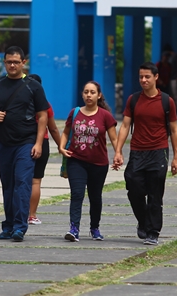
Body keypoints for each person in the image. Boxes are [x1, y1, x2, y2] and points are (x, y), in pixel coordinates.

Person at [0, 46, 50, 242]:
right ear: (4, 63)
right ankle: (9, 225)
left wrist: (38, 143)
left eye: (16, 62)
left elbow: (43, 115)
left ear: (23, 63)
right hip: (3, 143)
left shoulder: (33, 86)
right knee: (8, 186)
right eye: (9, 62)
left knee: (22, 183)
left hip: (26, 143)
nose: (12, 65)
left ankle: (20, 227)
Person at [114, 62, 177, 246]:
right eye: (141, 77)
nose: (143, 80)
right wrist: (118, 151)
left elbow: (174, 130)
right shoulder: (133, 100)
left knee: (155, 194)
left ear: (156, 77)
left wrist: (176, 157)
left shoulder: (167, 101)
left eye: (147, 77)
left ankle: (153, 231)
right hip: (137, 152)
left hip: (158, 152)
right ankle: (143, 221)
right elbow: (125, 125)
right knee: (134, 189)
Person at [59, 81, 118, 241]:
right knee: (77, 194)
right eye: (86, 92)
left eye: (92, 92)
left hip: (98, 163)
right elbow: (65, 133)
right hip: (76, 160)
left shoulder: (105, 115)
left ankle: (95, 228)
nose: (88, 95)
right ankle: (74, 229)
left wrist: (118, 153)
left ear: (99, 95)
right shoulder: (75, 112)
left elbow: (114, 138)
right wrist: (61, 147)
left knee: (95, 196)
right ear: (82, 94)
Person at [27, 74, 61, 225]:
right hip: (43, 143)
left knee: (20, 181)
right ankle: (32, 215)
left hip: (23, 142)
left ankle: (18, 213)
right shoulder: (45, 104)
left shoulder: (21, 102)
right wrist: (61, 145)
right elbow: (53, 128)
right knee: (35, 181)